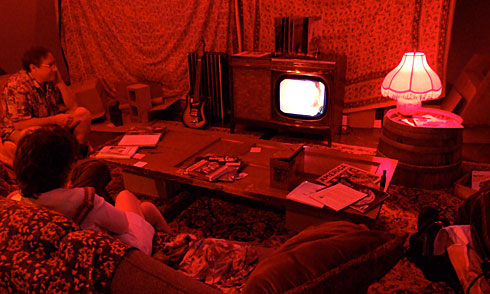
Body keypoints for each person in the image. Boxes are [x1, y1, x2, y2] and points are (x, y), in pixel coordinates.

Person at [9, 125, 171, 255]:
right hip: (123, 254)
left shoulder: (18, 202)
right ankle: (174, 246)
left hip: (90, 249)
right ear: (66, 168)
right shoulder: (84, 201)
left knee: (146, 209)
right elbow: (122, 225)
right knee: (126, 196)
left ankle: (171, 241)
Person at [0, 46, 91, 156]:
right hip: (22, 129)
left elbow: (73, 106)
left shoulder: (50, 79)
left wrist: (60, 83)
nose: (55, 69)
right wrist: (54, 120)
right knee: (33, 134)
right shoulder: (16, 86)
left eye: (55, 64)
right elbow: (19, 124)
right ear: (33, 68)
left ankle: (79, 155)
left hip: (50, 122)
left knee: (82, 114)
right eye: (50, 65)